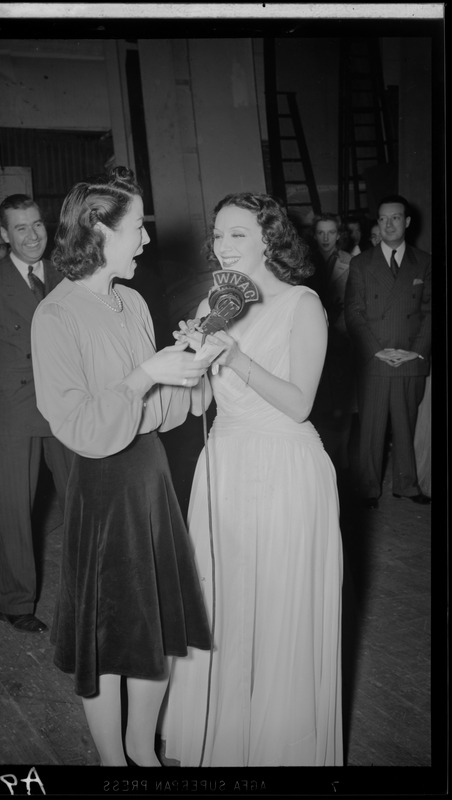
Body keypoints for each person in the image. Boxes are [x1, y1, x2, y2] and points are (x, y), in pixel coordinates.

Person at [30, 166, 212, 767]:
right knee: (109, 636)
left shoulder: (130, 299)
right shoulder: (54, 316)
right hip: (104, 488)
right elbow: (79, 426)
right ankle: (114, 765)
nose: (145, 239)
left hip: (149, 477)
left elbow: (159, 411)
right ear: (98, 230)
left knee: (154, 626)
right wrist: (146, 374)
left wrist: (192, 363)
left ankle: (143, 753)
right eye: (136, 227)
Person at [162, 192, 343, 767]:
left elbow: (298, 404)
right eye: (217, 235)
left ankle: (277, 751)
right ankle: (224, 741)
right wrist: (189, 361)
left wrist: (234, 357)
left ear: (269, 238)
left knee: (277, 609)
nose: (223, 246)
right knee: (224, 605)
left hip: (285, 468)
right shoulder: (216, 301)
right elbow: (202, 404)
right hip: (225, 466)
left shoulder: (302, 304)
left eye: (237, 234)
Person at [0, 194, 74, 635]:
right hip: (12, 408)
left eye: (37, 224)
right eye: (20, 228)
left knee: (81, 500)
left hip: (68, 403)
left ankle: (89, 593)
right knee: (16, 510)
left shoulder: (70, 272)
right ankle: (15, 602)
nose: (32, 235)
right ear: (4, 235)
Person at [344, 194, 431, 508]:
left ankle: (407, 485)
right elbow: (353, 312)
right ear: (377, 224)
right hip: (375, 357)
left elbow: (431, 311)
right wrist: (376, 351)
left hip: (410, 357)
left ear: (407, 222)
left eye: (396, 217)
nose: (389, 224)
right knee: (371, 425)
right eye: (383, 218)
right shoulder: (361, 263)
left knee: (407, 423)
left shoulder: (425, 261)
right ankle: (368, 487)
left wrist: (416, 351)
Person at [309, 214, 358, 472]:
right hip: (313, 342)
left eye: (331, 233)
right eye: (321, 233)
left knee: (343, 405)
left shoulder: (352, 263)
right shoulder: (304, 263)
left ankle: (343, 463)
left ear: (339, 234)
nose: (326, 238)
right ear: (314, 235)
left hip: (341, 343)